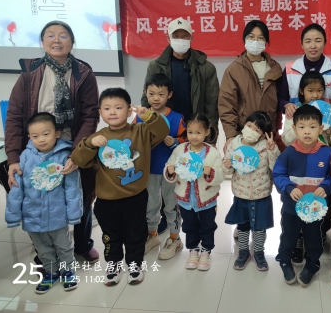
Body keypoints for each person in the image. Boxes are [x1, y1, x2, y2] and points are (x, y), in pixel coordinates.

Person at [5, 20, 100, 264]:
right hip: (37, 147)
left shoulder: (84, 74)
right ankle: (46, 252)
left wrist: (77, 153)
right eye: (50, 35)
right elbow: (14, 116)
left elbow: (90, 115)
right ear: (42, 41)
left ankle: (82, 244)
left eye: (63, 36)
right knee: (40, 197)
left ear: (72, 42)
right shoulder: (29, 74)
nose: (56, 40)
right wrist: (14, 157)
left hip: (72, 143)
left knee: (81, 193)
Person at [71, 88, 169, 286]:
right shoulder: (98, 137)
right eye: (107, 108)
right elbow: (78, 160)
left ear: (129, 111)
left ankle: (135, 266)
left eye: (118, 107)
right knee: (110, 237)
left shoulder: (140, 131)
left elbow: (162, 131)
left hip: (135, 197)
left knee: (135, 235)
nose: (113, 112)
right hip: (106, 201)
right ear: (100, 113)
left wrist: (148, 116)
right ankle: (113, 265)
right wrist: (89, 143)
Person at [5, 112, 82, 294]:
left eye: (46, 134)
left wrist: (74, 213)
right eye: (35, 136)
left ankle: (67, 271)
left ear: (57, 133)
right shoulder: (25, 157)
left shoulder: (65, 157)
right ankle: (51, 272)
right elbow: (16, 189)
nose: (41, 139)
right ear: (29, 137)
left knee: (63, 245)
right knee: (42, 248)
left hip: (57, 215)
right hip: (32, 215)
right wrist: (13, 215)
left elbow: (72, 188)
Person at [273, 105, 331, 287]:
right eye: (302, 127)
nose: (307, 131)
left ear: (321, 129)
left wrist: (326, 186)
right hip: (291, 208)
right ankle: (285, 261)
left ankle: (312, 265)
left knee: (314, 240)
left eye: (312, 127)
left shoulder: (327, 152)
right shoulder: (289, 152)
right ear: (294, 129)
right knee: (288, 238)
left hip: (315, 209)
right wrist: (289, 188)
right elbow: (278, 174)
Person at [134, 73, 186, 260]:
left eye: (161, 94)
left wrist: (175, 142)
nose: (156, 98)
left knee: (171, 205)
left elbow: (187, 143)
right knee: (150, 204)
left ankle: (174, 238)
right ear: (145, 93)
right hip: (148, 170)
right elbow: (133, 140)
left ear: (169, 95)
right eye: (151, 94)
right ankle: (152, 235)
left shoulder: (177, 118)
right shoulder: (139, 117)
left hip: (171, 171)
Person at [142, 17, 219, 142]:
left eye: (184, 36)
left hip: (195, 131)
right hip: (166, 129)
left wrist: (211, 138)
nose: (180, 40)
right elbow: (147, 98)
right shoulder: (155, 66)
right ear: (168, 38)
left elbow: (211, 105)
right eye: (176, 36)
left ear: (191, 38)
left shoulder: (206, 67)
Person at [164, 113, 224, 271]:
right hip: (185, 201)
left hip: (206, 200)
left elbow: (220, 175)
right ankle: (193, 250)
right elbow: (170, 167)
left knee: (207, 226)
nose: (194, 136)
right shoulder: (180, 150)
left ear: (207, 132)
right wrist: (170, 170)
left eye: (198, 132)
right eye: (190, 132)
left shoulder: (212, 153)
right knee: (189, 226)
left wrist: (211, 172)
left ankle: (206, 251)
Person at [223, 112, 280, 271]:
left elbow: (275, 167)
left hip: (262, 194)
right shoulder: (234, 144)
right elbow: (228, 170)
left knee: (260, 226)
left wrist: (272, 150)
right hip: (241, 193)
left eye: (256, 129)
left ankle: (259, 252)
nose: (251, 130)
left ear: (262, 135)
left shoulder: (266, 146)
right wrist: (226, 165)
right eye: (249, 125)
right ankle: (243, 252)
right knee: (242, 225)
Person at [218, 20, 282, 150]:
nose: (255, 41)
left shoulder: (275, 68)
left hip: (267, 135)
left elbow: (280, 102)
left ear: (266, 42)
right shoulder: (234, 69)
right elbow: (226, 105)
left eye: (260, 38)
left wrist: (275, 132)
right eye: (251, 37)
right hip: (243, 134)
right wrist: (231, 135)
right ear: (245, 40)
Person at [278, 23, 331, 121]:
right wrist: (286, 105)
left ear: (325, 43)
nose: (313, 46)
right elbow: (281, 99)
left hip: (326, 124)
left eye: (318, 41)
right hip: (297, 124)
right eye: (308, 41)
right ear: (302, 44)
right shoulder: (290, 69)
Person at [282, 70, 331, 147]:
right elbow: (287, 140)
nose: (315, 95)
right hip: (300, 153)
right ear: (301, 91)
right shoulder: (293, 111)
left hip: (322, 152)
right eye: (310, 91)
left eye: (319, 90)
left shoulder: (327, 112)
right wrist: (300, 126)